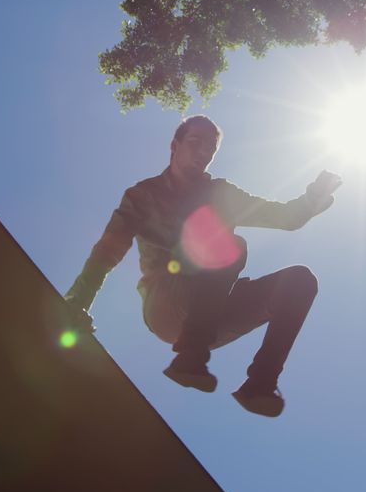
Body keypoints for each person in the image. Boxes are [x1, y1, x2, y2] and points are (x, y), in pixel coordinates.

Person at [64, 115, 342, 417]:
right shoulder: (143, 195)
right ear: (175, 145)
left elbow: (286, 218)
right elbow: (107, 251)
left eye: (210, 149)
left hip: (214, 315)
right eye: (195, 143)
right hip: (166, 304)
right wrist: (77, 301)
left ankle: (260, 384)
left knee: (299, 281)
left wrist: (314, 196)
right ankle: (191, 353)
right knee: (228, 243)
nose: (202, 153)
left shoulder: (222, 193)